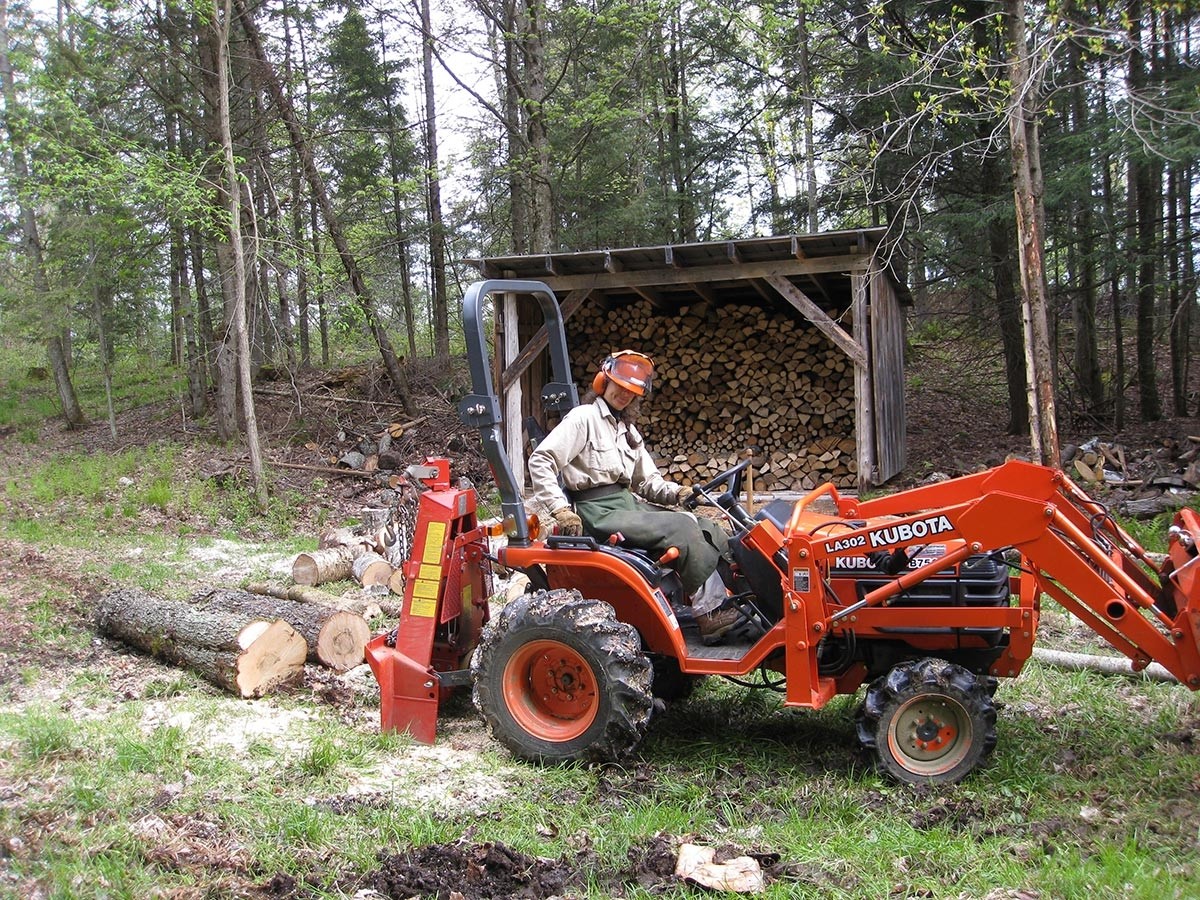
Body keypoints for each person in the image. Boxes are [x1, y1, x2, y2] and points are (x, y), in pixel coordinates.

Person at [527, 350, 740, 642]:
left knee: (706, 525)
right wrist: (560, 509)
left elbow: (649, 481)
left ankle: (735, 599)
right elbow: (541, 459)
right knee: (683, 527)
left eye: (631, 391)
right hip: (597, 512)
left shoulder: (628, 431)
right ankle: (710, 615)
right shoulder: (584, 417)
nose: (624, 395)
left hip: (627, 505)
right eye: (620, 387)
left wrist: (680, 493)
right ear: (603, 381)